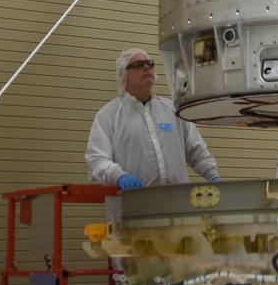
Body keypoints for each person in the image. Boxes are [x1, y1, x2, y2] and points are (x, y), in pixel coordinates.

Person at [86, 48, 220, 189]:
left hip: (175, 204)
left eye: (149, 63)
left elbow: (197, 151)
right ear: (123, 74)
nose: (146, 67)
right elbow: (96, 159)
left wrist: (212, 174)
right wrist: (119, 176)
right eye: (138, 65)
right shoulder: (109, 115)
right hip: (132, 205)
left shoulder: (173, 110)